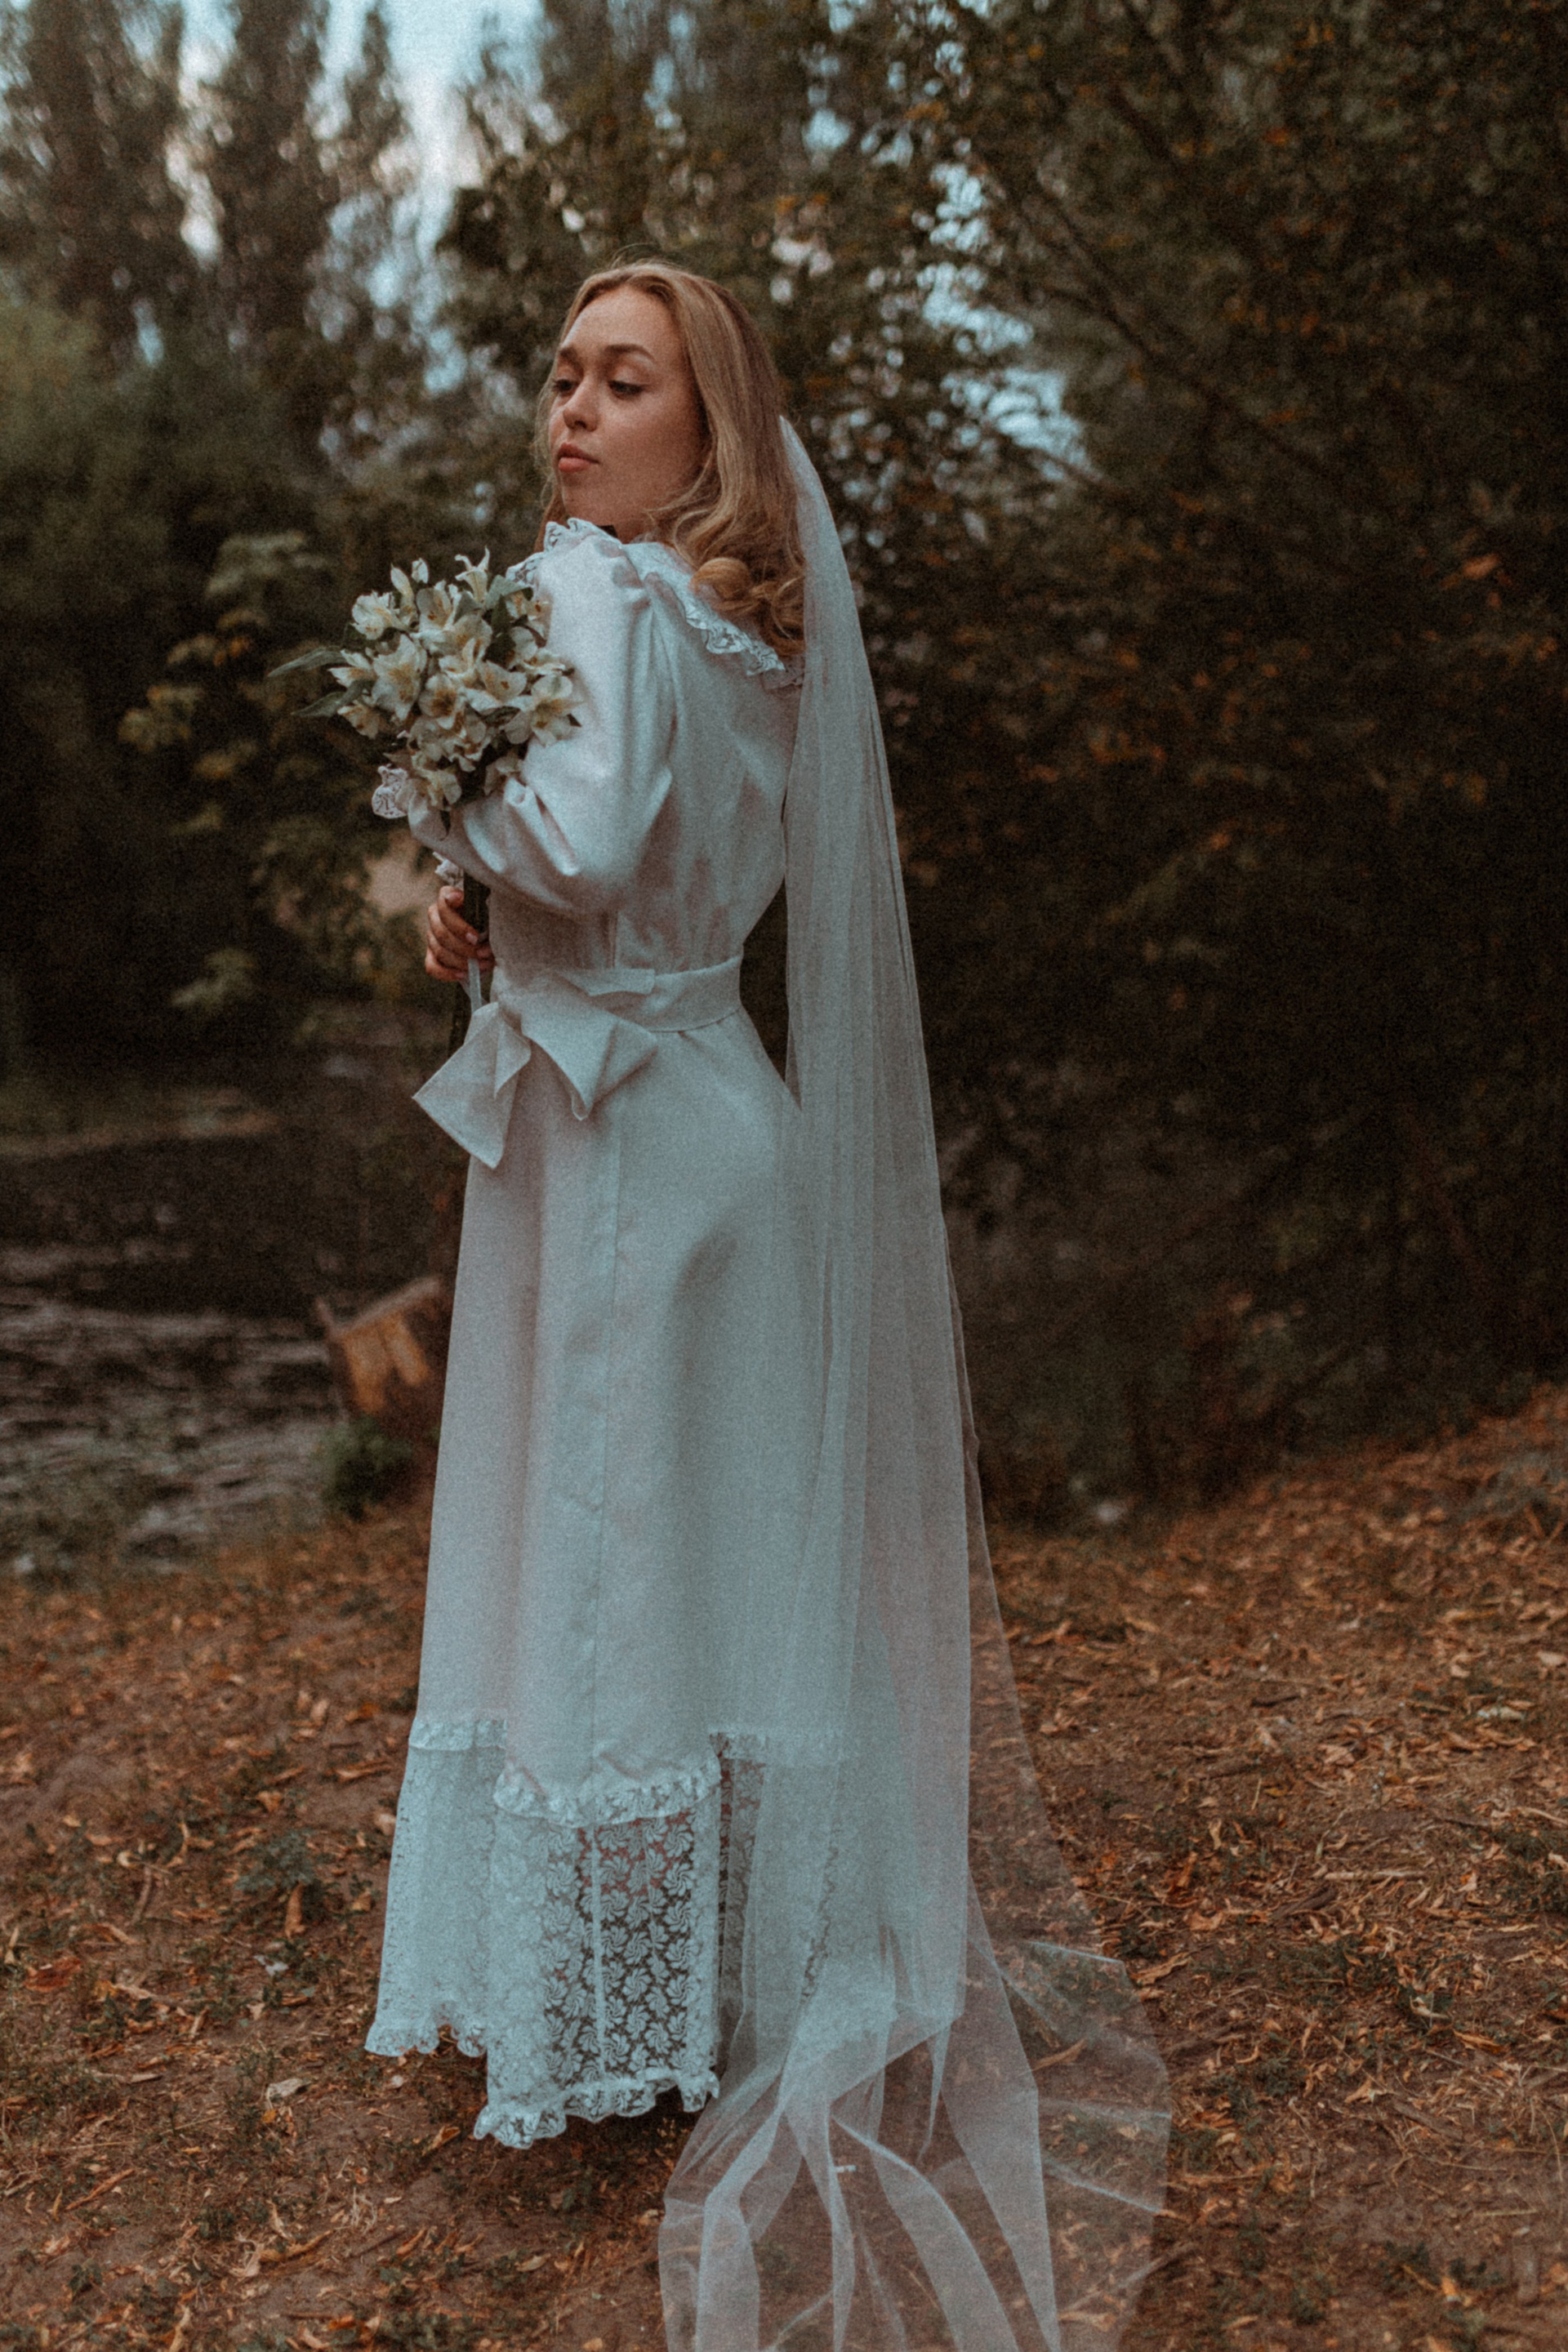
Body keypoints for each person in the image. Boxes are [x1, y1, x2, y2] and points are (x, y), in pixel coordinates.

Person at [370, 262, 1168, 2352]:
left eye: (623, 381)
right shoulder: (754, 636)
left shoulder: (600, 594)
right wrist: (487, 905)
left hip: (624, 1141)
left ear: (706, 426)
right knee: (722, 1552)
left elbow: (582, 835)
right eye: (561, 375)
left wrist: (444, 791)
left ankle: (603, 2014)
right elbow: (647, 863)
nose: (572, 411)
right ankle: (729, 1969)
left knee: (607, 1557)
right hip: (720, 1103)